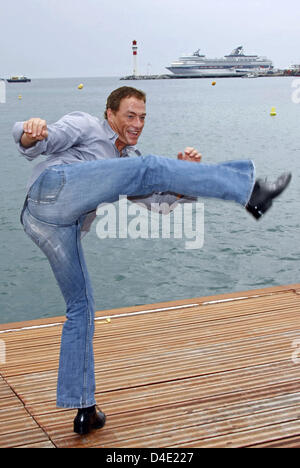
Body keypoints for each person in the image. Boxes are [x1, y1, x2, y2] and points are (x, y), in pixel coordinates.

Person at [13, 86, 291, 435]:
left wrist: (180, 177)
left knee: (81, 308)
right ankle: (250, 191)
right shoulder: (85, 126)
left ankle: (84, 408)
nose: (137, 123)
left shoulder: (126, 162)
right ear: (110, 114)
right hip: (50, 191)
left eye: (143, 117)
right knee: (153, 166)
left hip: (53, 226)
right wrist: (30, 131)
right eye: (130, 115)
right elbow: (41, 139)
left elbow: (158, 204)